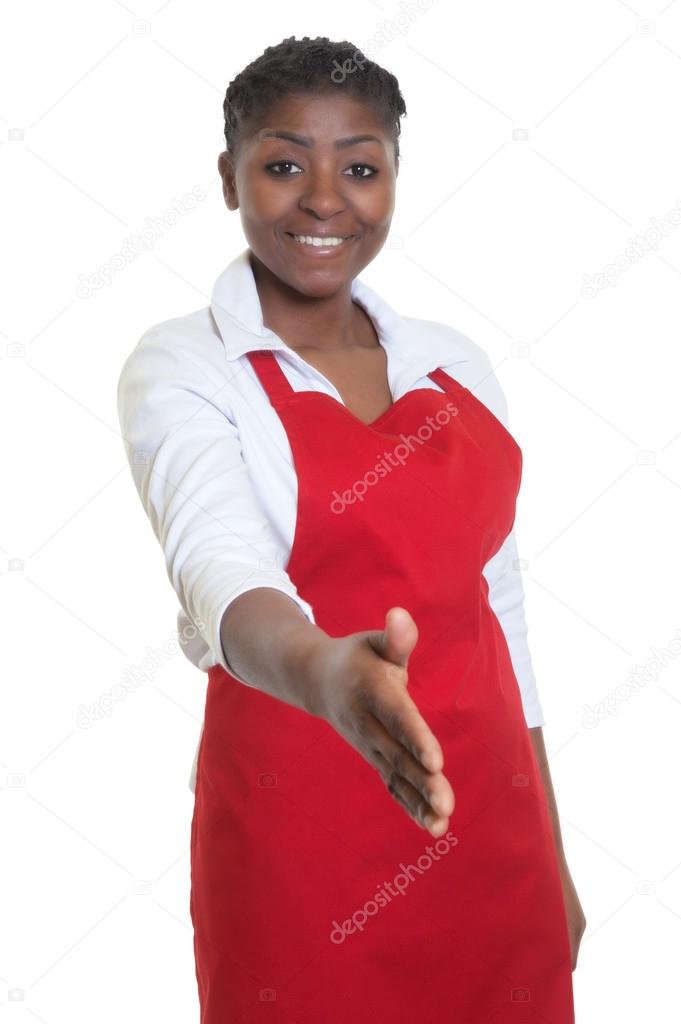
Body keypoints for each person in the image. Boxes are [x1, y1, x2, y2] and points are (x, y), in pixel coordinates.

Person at [117, 33, 585, 1024]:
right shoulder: (188, 368)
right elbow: (222, 572)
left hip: (493, 847)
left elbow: (504, 618)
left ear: (394, 181)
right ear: (228, 176)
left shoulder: (454, 366)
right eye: (285, 164)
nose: (325, 199)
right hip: (304, 852)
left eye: (360, 167)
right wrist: (328, 673)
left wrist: (552, 853)